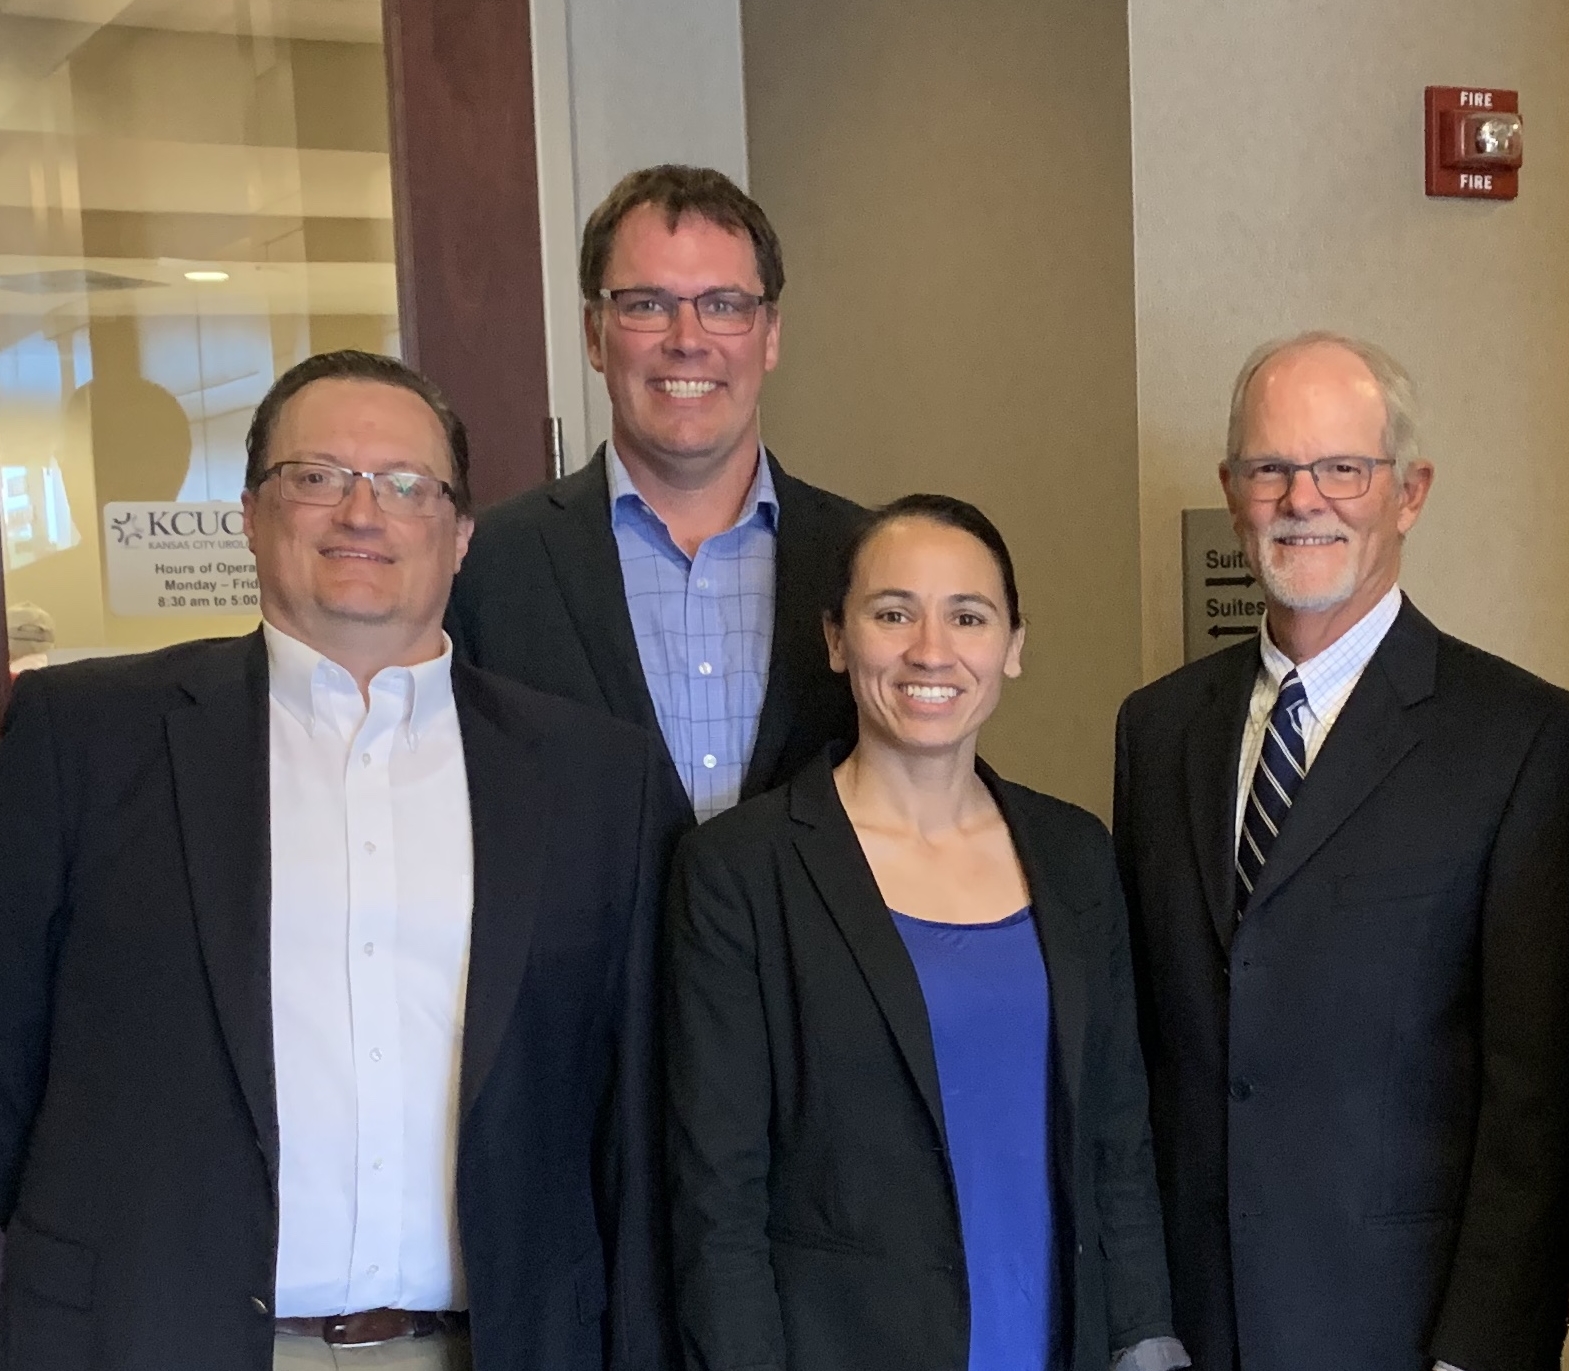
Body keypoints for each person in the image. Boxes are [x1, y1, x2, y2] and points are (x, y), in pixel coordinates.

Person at [0, 350, 688, 1370]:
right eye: (316, 477)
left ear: (459, 535)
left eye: (406, 486)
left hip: (490, 1346)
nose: (361, 513)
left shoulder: (597, 782)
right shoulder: (83, 738)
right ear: (248, 512)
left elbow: (634, 1129)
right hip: (150, 1338)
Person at [1113, 332, 1569, 1371]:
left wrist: (1479, 1352)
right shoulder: (1156, 732)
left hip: (1400, 1331)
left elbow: (1537, 1106)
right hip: (1191, 1327)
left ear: (1408, 492)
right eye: (1271, 469)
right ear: (1233, 489)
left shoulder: (1524, 741)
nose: (1305, 499)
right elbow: (1143, 1055)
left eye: (1343, 468)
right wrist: (1138, 1317)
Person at [665, 495, 1187, 1371]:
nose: (930, 650)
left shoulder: (1073, 854)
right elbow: (717, 1199)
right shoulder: (740, 870)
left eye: (968, 616)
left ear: (1013, 645)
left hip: (1060, 1340)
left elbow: (1116, 1138)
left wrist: (1144, 1339)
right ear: (837, 639)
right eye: (892, 612)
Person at [448, 165, 866, 821]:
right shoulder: (487, 568)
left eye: (724, 305)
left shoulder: (860, 560)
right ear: (594, 333)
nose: (687, 341)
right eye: (647, 304)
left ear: (770, 335)